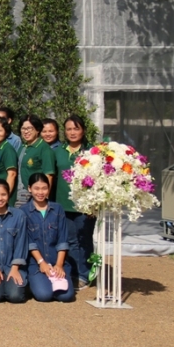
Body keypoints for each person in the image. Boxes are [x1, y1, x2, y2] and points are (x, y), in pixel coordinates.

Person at [53, 114, 95, 290]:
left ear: (83, 130)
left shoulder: (92, 153)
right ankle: (72, 273)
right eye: (69, 129)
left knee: (84, 239)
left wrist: (93, 205)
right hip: (63, 204)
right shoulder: (58, 151)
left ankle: (84, 274)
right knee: (70, 240)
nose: (72, 132)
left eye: (76, 129)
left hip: (84, 206)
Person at [21, 173, 75, 302]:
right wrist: (42, 263)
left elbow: (62, 240)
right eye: (36, 188)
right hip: (36, 263)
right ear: (29, 188)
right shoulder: (23, 211)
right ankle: (33, 283)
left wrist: (59, 265)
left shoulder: (57, 209)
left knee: (66, 296)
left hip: (56, 260)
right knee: (44, 295)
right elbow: (29, 242)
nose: (40, 192)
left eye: (44, 188)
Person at [0, 179, 28, 304]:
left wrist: (15, 267)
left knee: (15, 296)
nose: (0, 198)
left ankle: (11, 284)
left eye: (3, 194)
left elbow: (21, 242)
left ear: (9, 195)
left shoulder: (19, 215)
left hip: (12, 264)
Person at [16, 114, 56, 207]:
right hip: (20, 194)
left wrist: (44, 200)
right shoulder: (22, 147)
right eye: (23, 128)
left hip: (35, 196)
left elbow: (49, 176)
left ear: (37, 130)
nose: (26, 131)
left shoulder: (44, 149)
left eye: (29, 128)